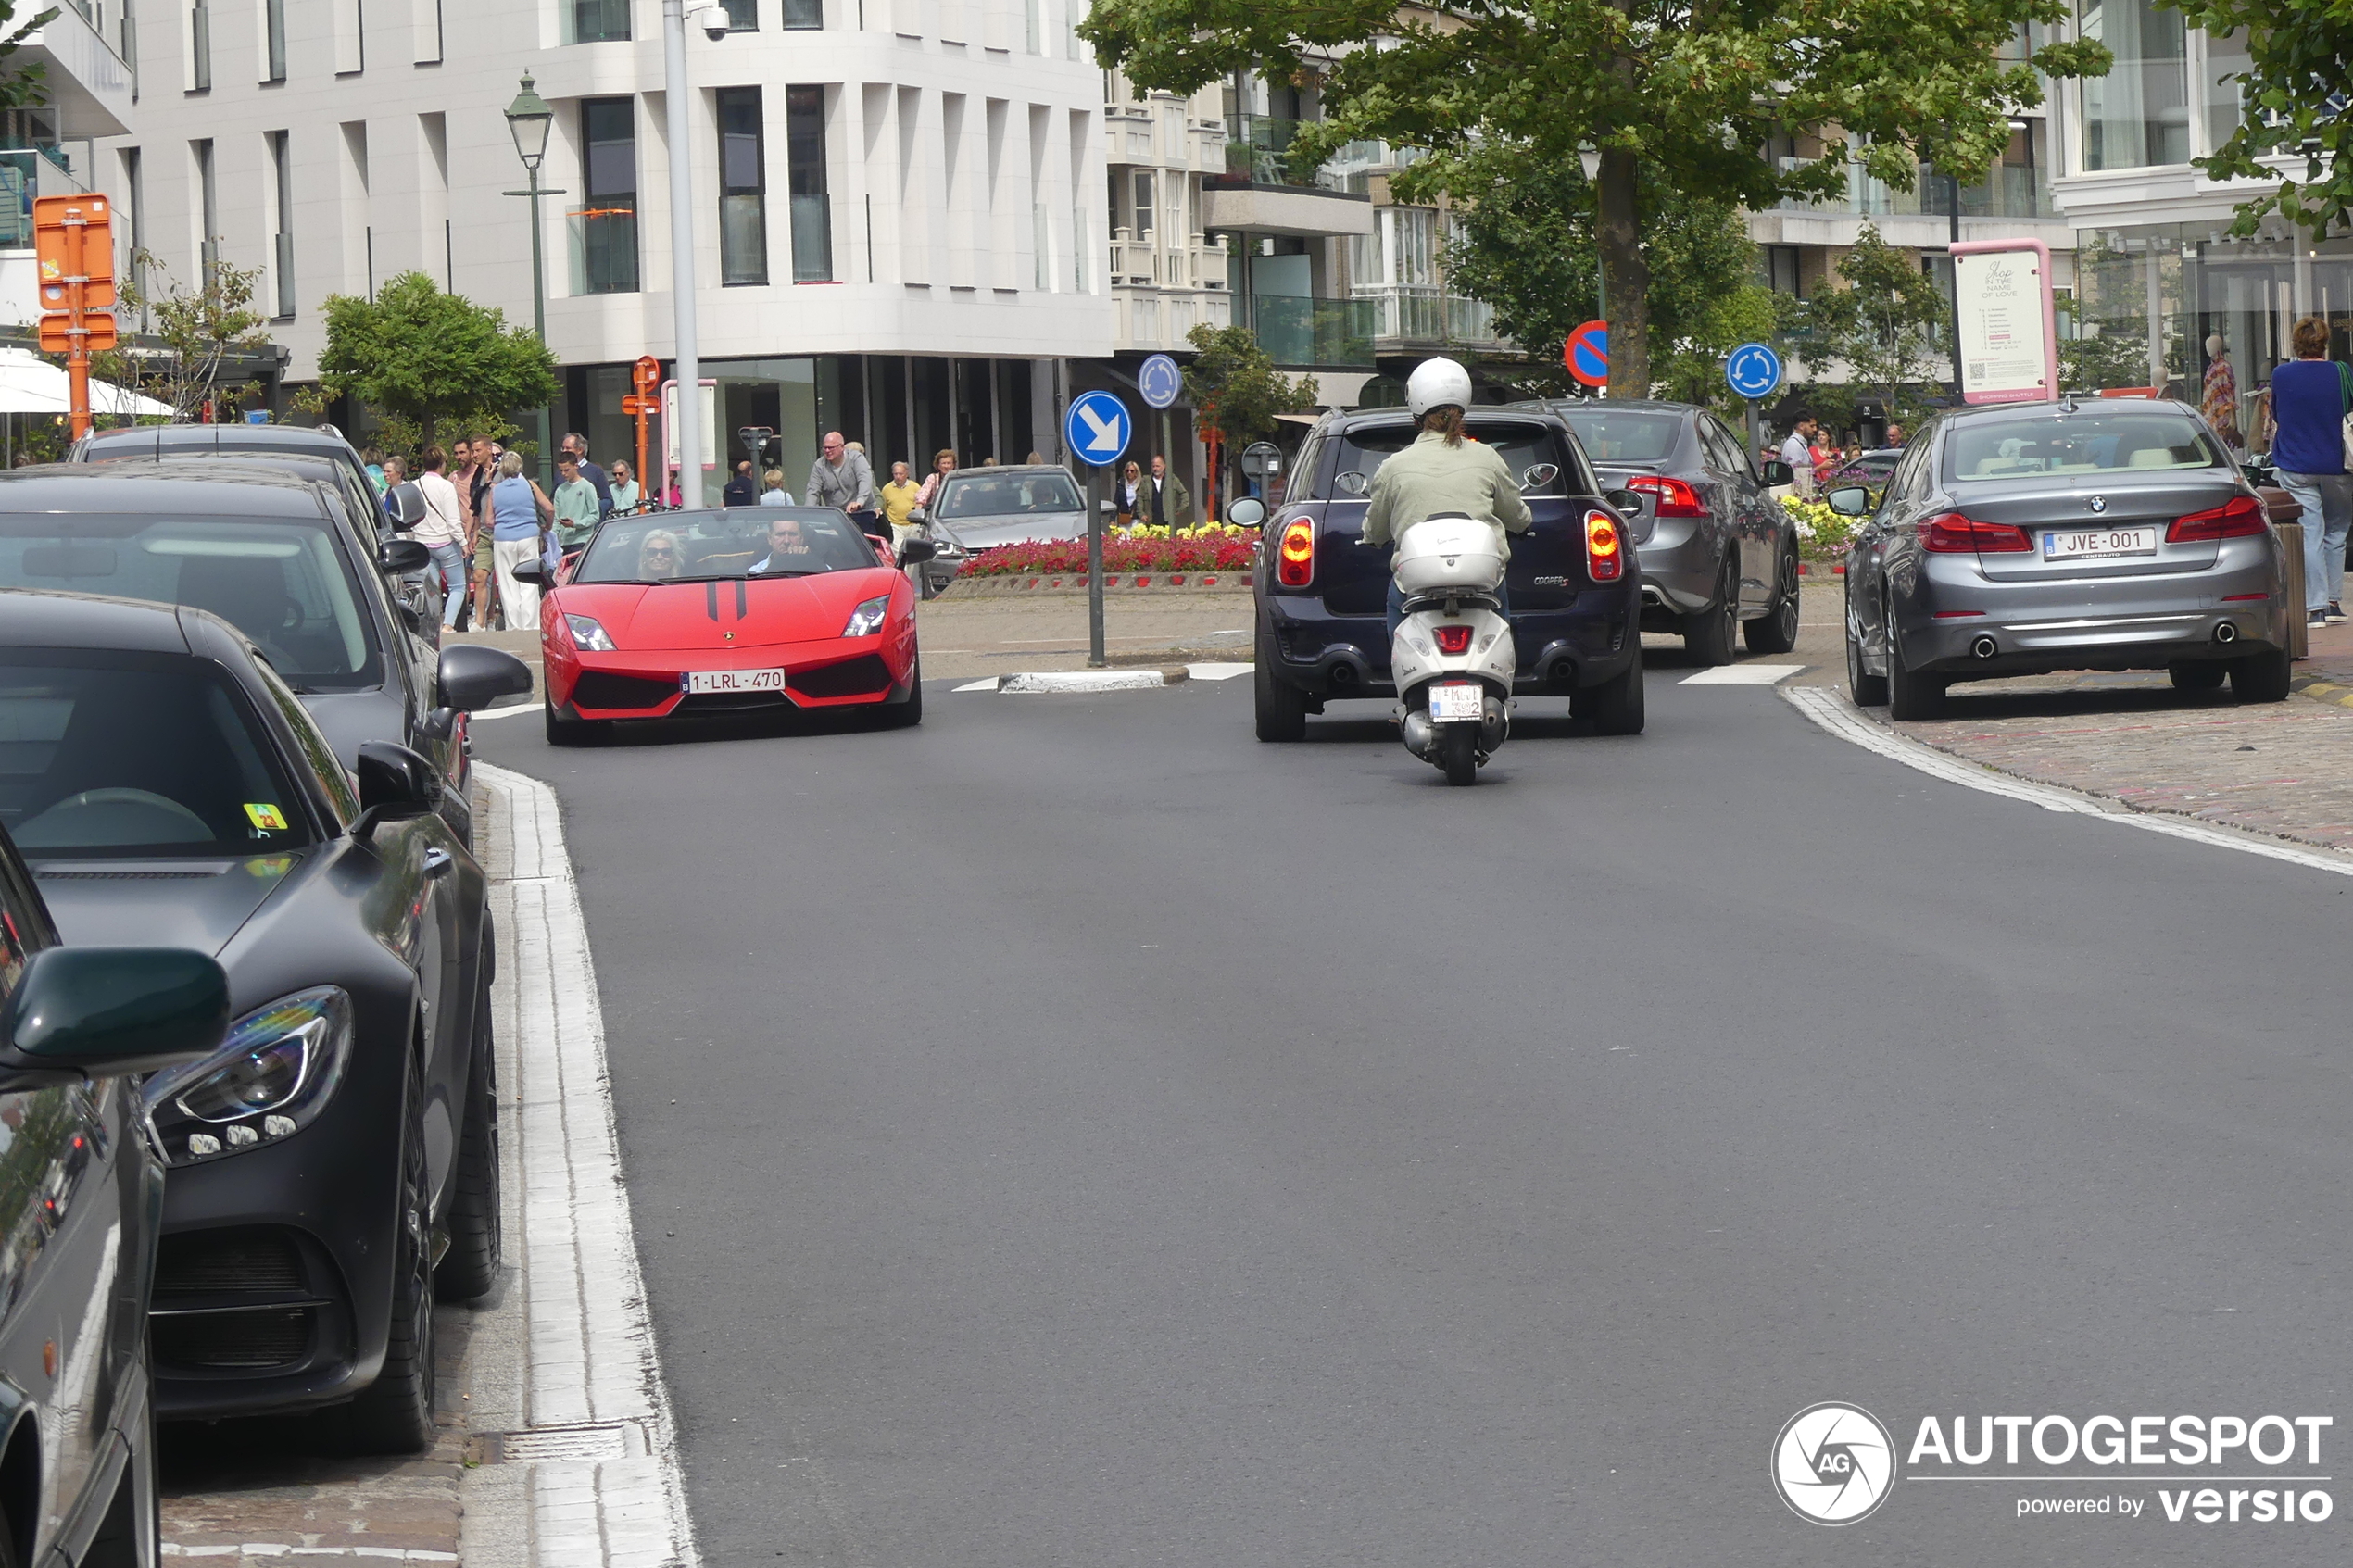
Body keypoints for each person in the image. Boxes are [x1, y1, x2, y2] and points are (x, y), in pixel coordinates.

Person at [1363, 357, 1532, 646]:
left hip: (1417, 584)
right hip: (1483, 581)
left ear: (1414, 412)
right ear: (1462, 407)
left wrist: (1372, 536)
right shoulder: (1487, 457)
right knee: (1499, 610)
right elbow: (1517, 517)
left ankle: (1405, 663)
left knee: (1395, 601)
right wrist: (1523, 523)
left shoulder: (1394, 466)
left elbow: (1376, 532)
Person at [2270, 316, 2353, 628]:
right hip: (2338, 466)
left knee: (2311, 534)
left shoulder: (2281, 375)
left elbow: (2277, 414)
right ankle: (2333, 603)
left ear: (2297, 343)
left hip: (2296, 465)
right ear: (2324, 342)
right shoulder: (2342, 373)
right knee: (2336, 532)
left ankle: (2315, 607)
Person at [489, 451, 555, 631]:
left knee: (507, 583)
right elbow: (549, 508)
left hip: (503, 538)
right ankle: (530, 624)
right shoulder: (529, 485)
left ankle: (513, 625)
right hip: (528, 535)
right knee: (529, 581)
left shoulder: (495, 489)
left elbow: (488, 520)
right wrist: (547, 526)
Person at [414, 447, 469, 629]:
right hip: (445, 542)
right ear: (441, 464)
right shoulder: (446, 486)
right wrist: (463, 542)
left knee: (432, 589)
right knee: (458, 587)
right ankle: (448, 625)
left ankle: (433, 624)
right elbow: (453, 520)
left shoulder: (414, 486)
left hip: (422, 542)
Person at [806, 430, 875, 514]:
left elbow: (865, 480)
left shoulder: (856, 458)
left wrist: (859, 502)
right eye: (825, 448)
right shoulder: (819, 466)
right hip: (837, 515)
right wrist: (808, 513)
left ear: (842, 447)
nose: (827, 451)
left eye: (831, 447)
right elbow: (812, 492)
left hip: (862, 511)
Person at [560, 432, 616, 517]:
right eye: (563, 448)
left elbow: (607, 500)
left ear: (580, 450)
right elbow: (554, 499)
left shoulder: (595, 471)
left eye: (568, 448)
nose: (564, 451)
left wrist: (592, 510)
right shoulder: (559, 473)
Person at [879, 460, 925, 563]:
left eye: (901, 474)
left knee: (912, 555)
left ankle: (907, 576)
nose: (898, 477)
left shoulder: (915, 487)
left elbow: (920, 504)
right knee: (898, 553)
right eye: (895, 474)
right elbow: (884, 507)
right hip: (896, 526)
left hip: (913, 525)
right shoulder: (887, 489)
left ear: (907, 474)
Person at [552, 454, 601, 549]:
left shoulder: (587, 487)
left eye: (566, 470)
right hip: (564, 542)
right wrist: (553, 537)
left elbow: (595, 516)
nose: (563, 474)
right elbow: (556, 519)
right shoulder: (560, 490)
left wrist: (575, 523)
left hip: (582, 540)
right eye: (561, 471)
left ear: (576, 466)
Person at [2203, 333, 2242, 448]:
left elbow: (2229, 392)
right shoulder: (2211, 368)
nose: (2209, 349)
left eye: (2212, 345)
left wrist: (2232, 417)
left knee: (2223, 444)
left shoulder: (2225, 367)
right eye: (2207, 346)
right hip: (2211, 412)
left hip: (2222, 411)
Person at [748, 516, 812, 573]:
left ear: (801, 538)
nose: (786, 541)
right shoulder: (755, 573)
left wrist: (807, 560)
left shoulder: (813, 569)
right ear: (769, 539)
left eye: (792, 534)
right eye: (780, 534)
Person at [1144, 453, 1192, 527]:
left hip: (1168, 520)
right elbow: (1140, 498)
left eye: (1158, 466)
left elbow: (1184, 493)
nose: (1155, 468)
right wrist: (1142, 513)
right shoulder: (1146, 481)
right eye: (1153, 466)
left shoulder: (1172, 479)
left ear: (1164, 466)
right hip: (1151, 521)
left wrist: (1181, 509)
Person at [914, 448, 957, 514]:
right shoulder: (932, 478)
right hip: (935, 514)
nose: (946, 466)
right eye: (943, 463)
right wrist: (919, 507)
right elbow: (923, 493)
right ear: (938, 466)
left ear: (953, 465)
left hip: (955, 514)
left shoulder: (958, 479)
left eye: (948, 463)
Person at [1116, 460, 1144, 526]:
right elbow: (1116, 501)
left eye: (1132, 471)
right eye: (1127, 471)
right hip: (1124, 516)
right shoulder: (1121, 483)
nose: (1129, 473)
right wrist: (1112, 519)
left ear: (1136, 472)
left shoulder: (1141, 484)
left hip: (1137, 518)